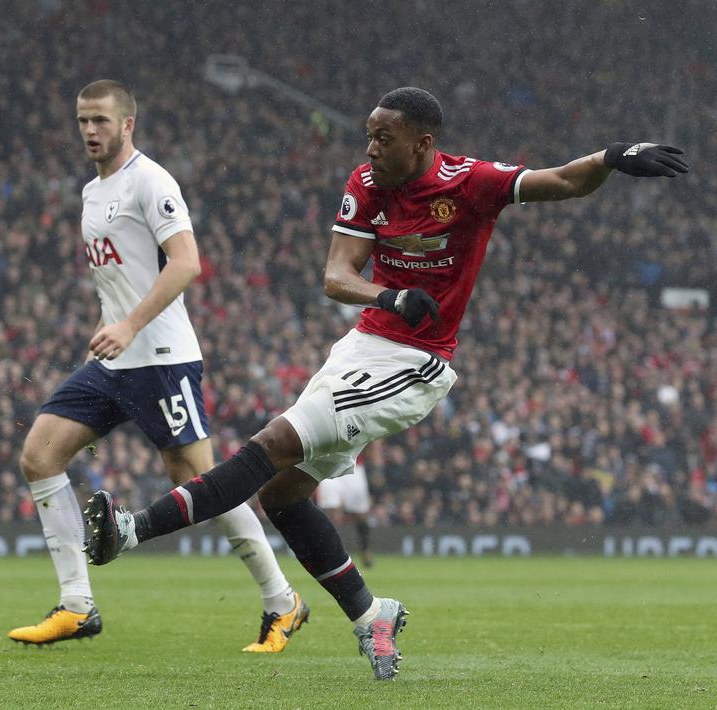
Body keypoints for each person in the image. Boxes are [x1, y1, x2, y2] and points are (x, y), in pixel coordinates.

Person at [84, 87, 688, 679]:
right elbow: (336, 275)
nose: (370, 149)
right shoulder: (367, 185)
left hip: (414, 365)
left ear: (423, 143)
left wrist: (612, 157)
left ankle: (132, 530)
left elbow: (562, 181)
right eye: (369, 136)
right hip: (360, 347)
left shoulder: (470, 182)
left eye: (383, 138)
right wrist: (392, 294)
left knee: (271, 445)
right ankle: (372, 614)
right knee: (282, 495)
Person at [7, 80, 306, 653]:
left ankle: (282, 601)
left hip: (162, 359)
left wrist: (128, 325)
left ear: (127, 124)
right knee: (39, 454)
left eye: (100, 120)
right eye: (82, 121)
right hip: (114, 362)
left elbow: (188, 262)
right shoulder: (92, 192)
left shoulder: (152, 180)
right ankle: (77, 605)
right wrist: (115, 327)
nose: (90, 131)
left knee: (204, 486)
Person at [315, 456, 373, 568]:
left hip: (353, 465)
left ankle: (365, 549)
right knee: (330, 514)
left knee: (360, 516)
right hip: (327, 463)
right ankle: (331, 554)